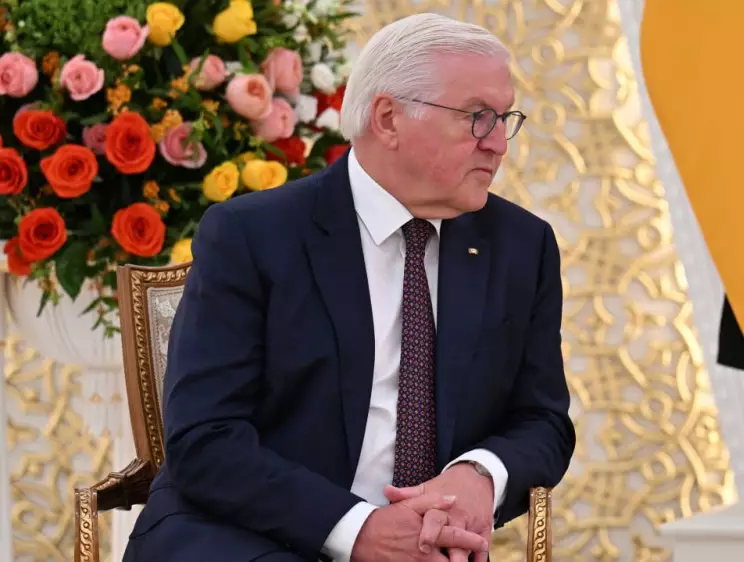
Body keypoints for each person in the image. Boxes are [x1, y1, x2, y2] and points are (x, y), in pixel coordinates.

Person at [122, 12, 576, 562]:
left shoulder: (521, 245)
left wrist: (480, 474)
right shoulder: (252, 234)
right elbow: (205, 438)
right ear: (388, 118)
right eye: (479, 118)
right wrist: (359, 529)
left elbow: (543, 421)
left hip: (431, 546)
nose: (499, 144)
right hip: (250, 534)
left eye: (505, 118)